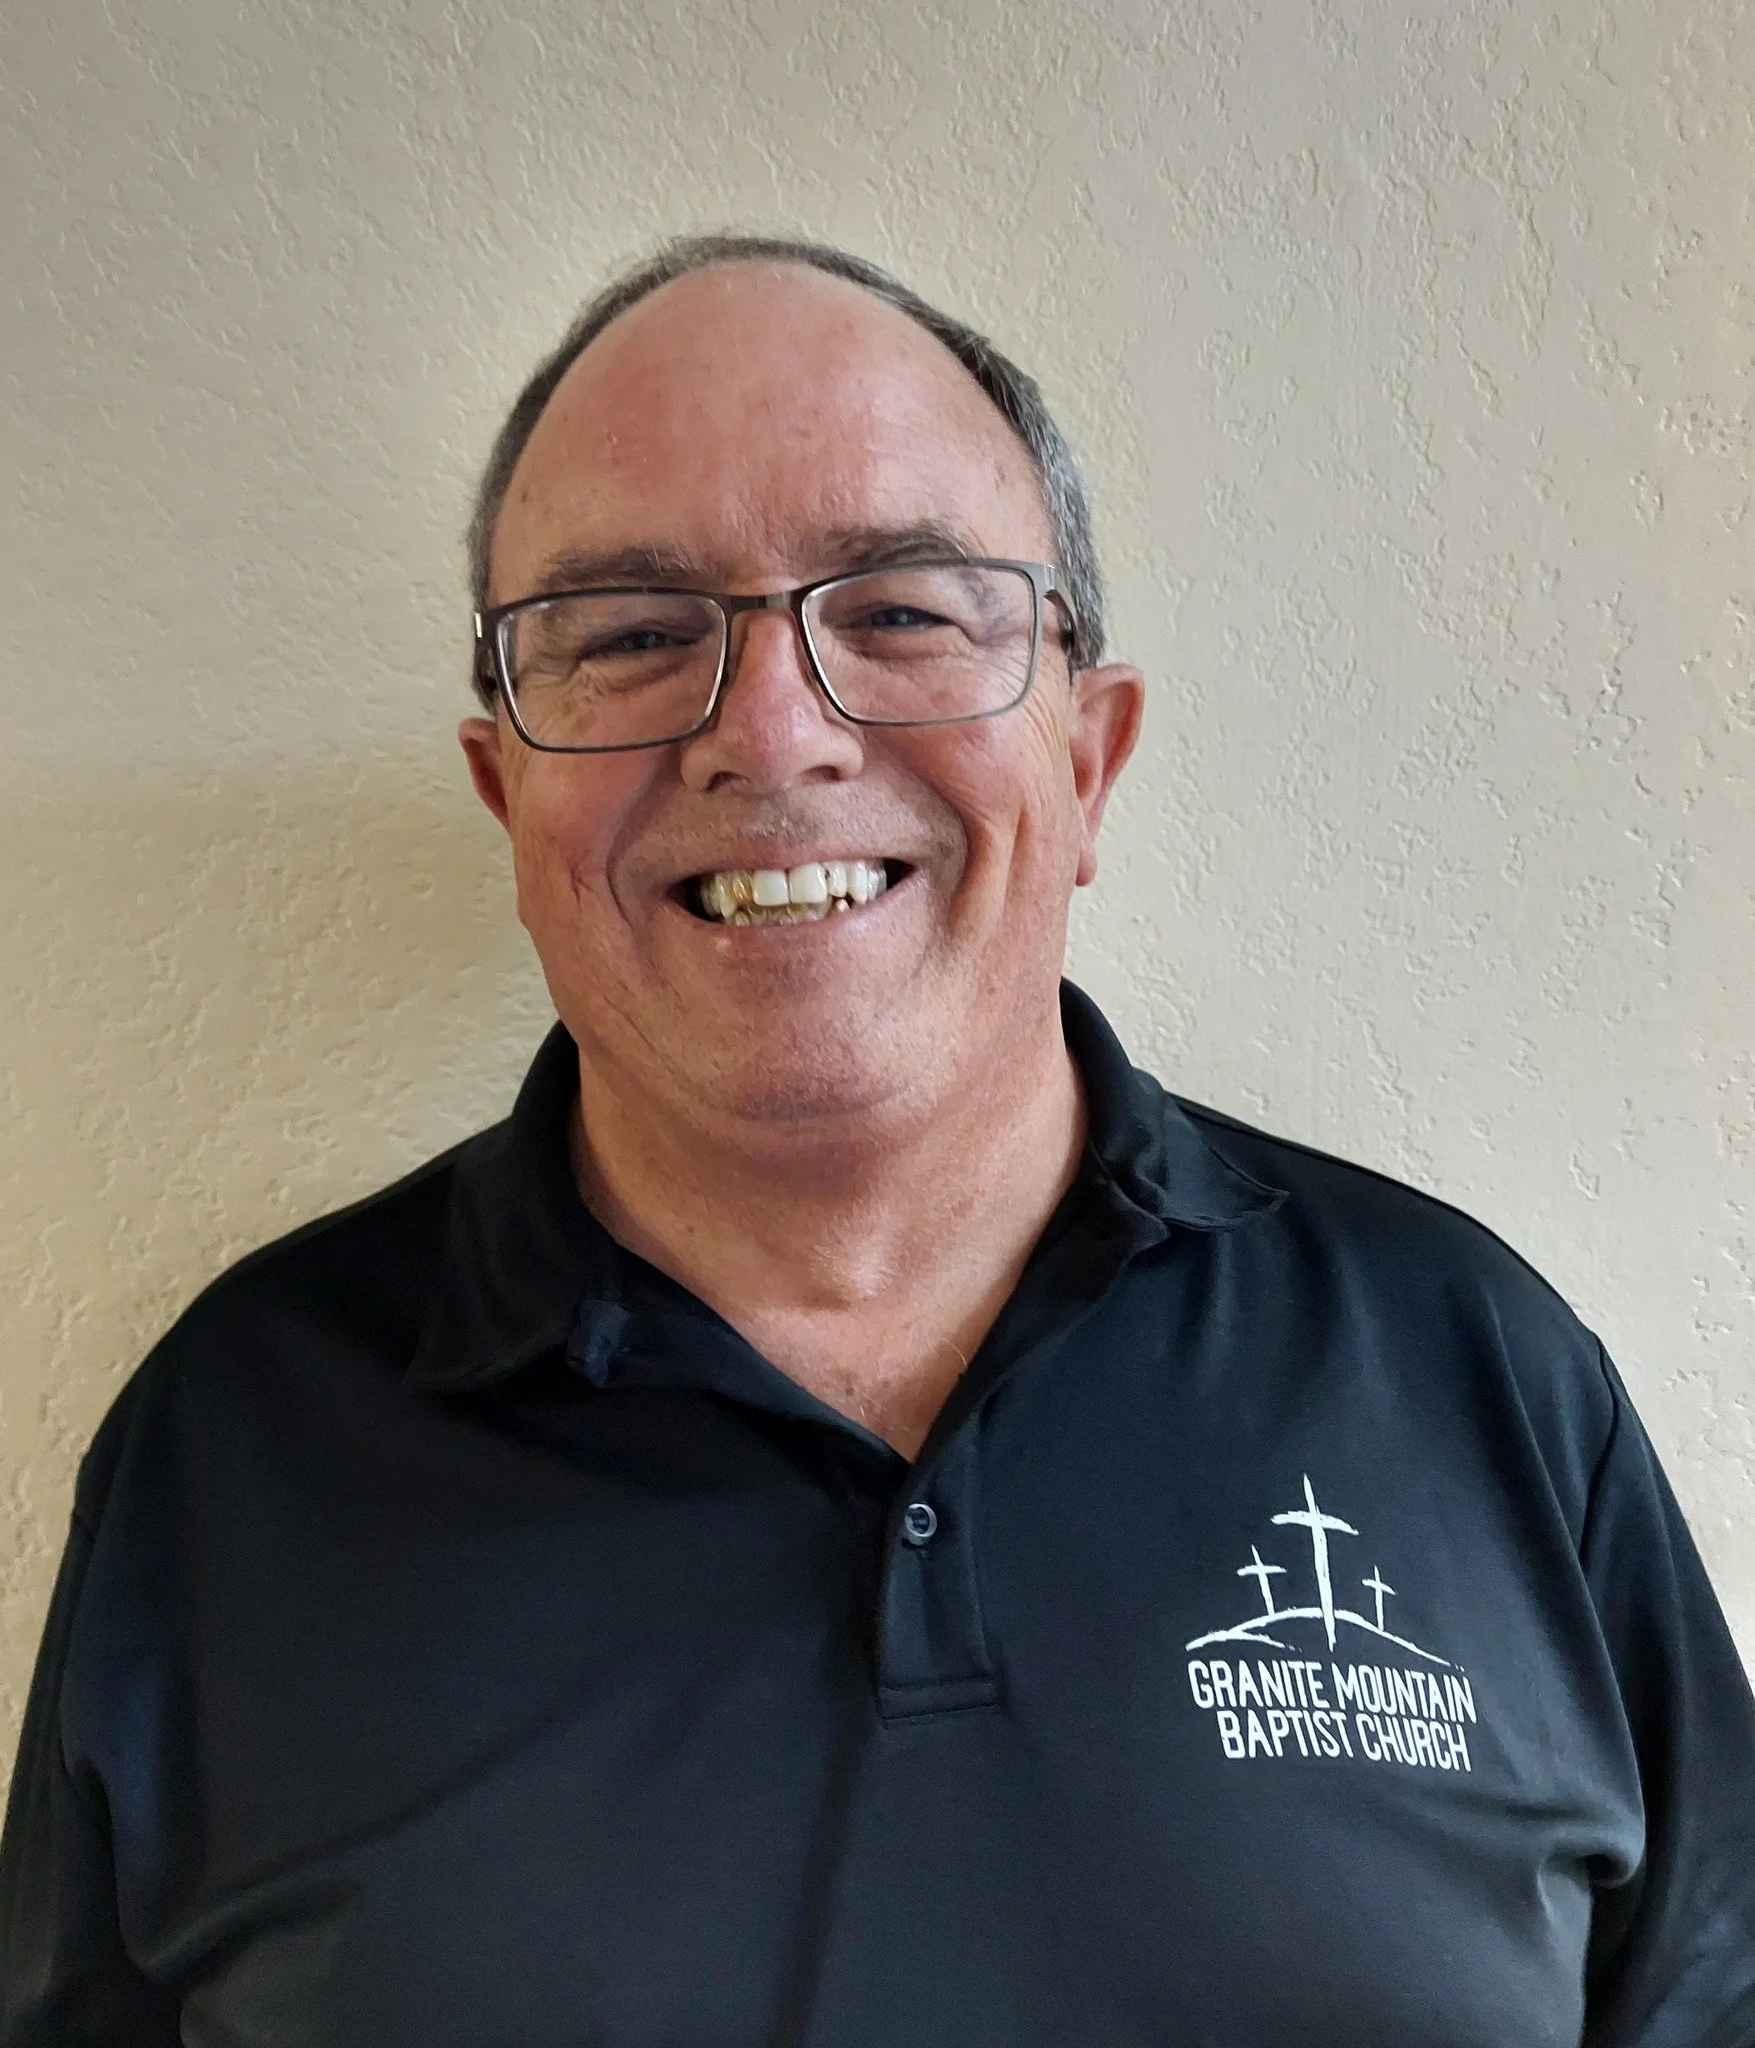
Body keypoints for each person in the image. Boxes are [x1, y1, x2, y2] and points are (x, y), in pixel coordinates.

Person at [2, 233, 1752, 2048]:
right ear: (504, 790)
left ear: (1085, 758)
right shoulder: (234, 1446)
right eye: (625, 634)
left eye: (902, 613)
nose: (772, 730)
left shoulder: (1470, 1375)